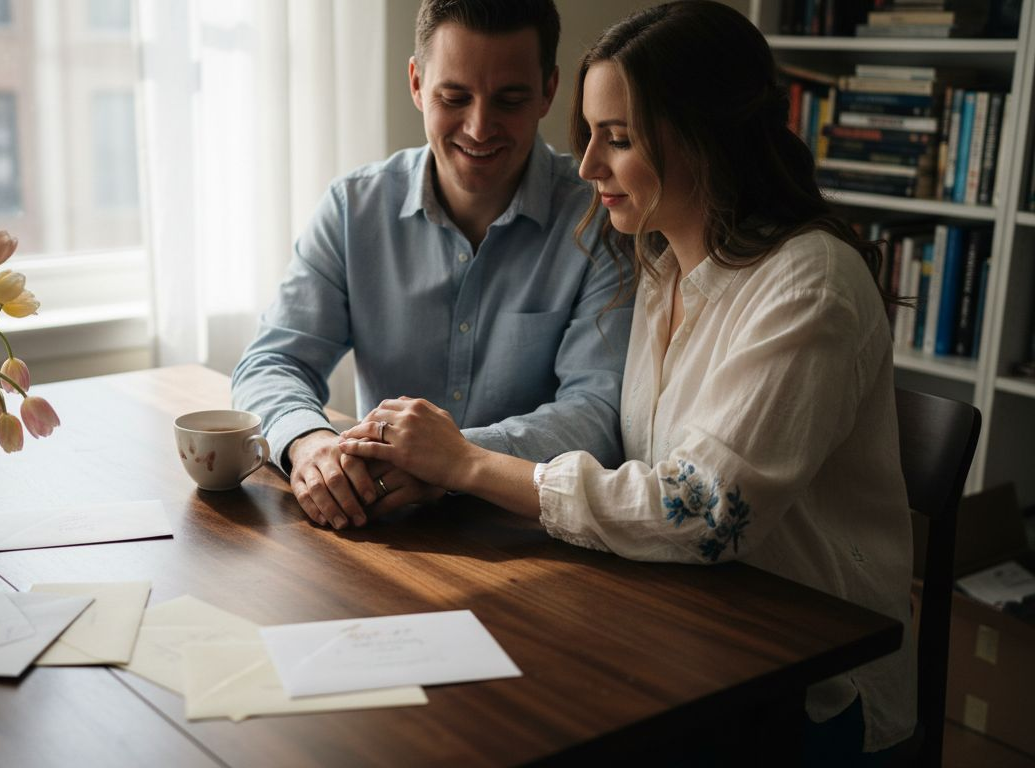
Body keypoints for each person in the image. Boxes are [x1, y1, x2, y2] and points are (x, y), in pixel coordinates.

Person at [339, 1, 915, 761]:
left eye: (618, 140)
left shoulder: (808, 286)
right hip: (690, 626)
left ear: (705, 139)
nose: (586, 168)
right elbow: (633, 451)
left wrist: (468, 463)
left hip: (810, 688)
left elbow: (703, 510)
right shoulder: (662, 263)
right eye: (589, 137)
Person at [232, 0, 632, 531]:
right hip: (376, 536)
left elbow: (596, 413)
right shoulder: (354, 209)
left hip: (531, 541)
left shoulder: (600, 219)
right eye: (454, 97)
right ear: (418, 84)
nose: (479, 126)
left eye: (509, 99)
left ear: (548, 91)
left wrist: (456, 463)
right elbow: (272, 362)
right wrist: (310, 444)